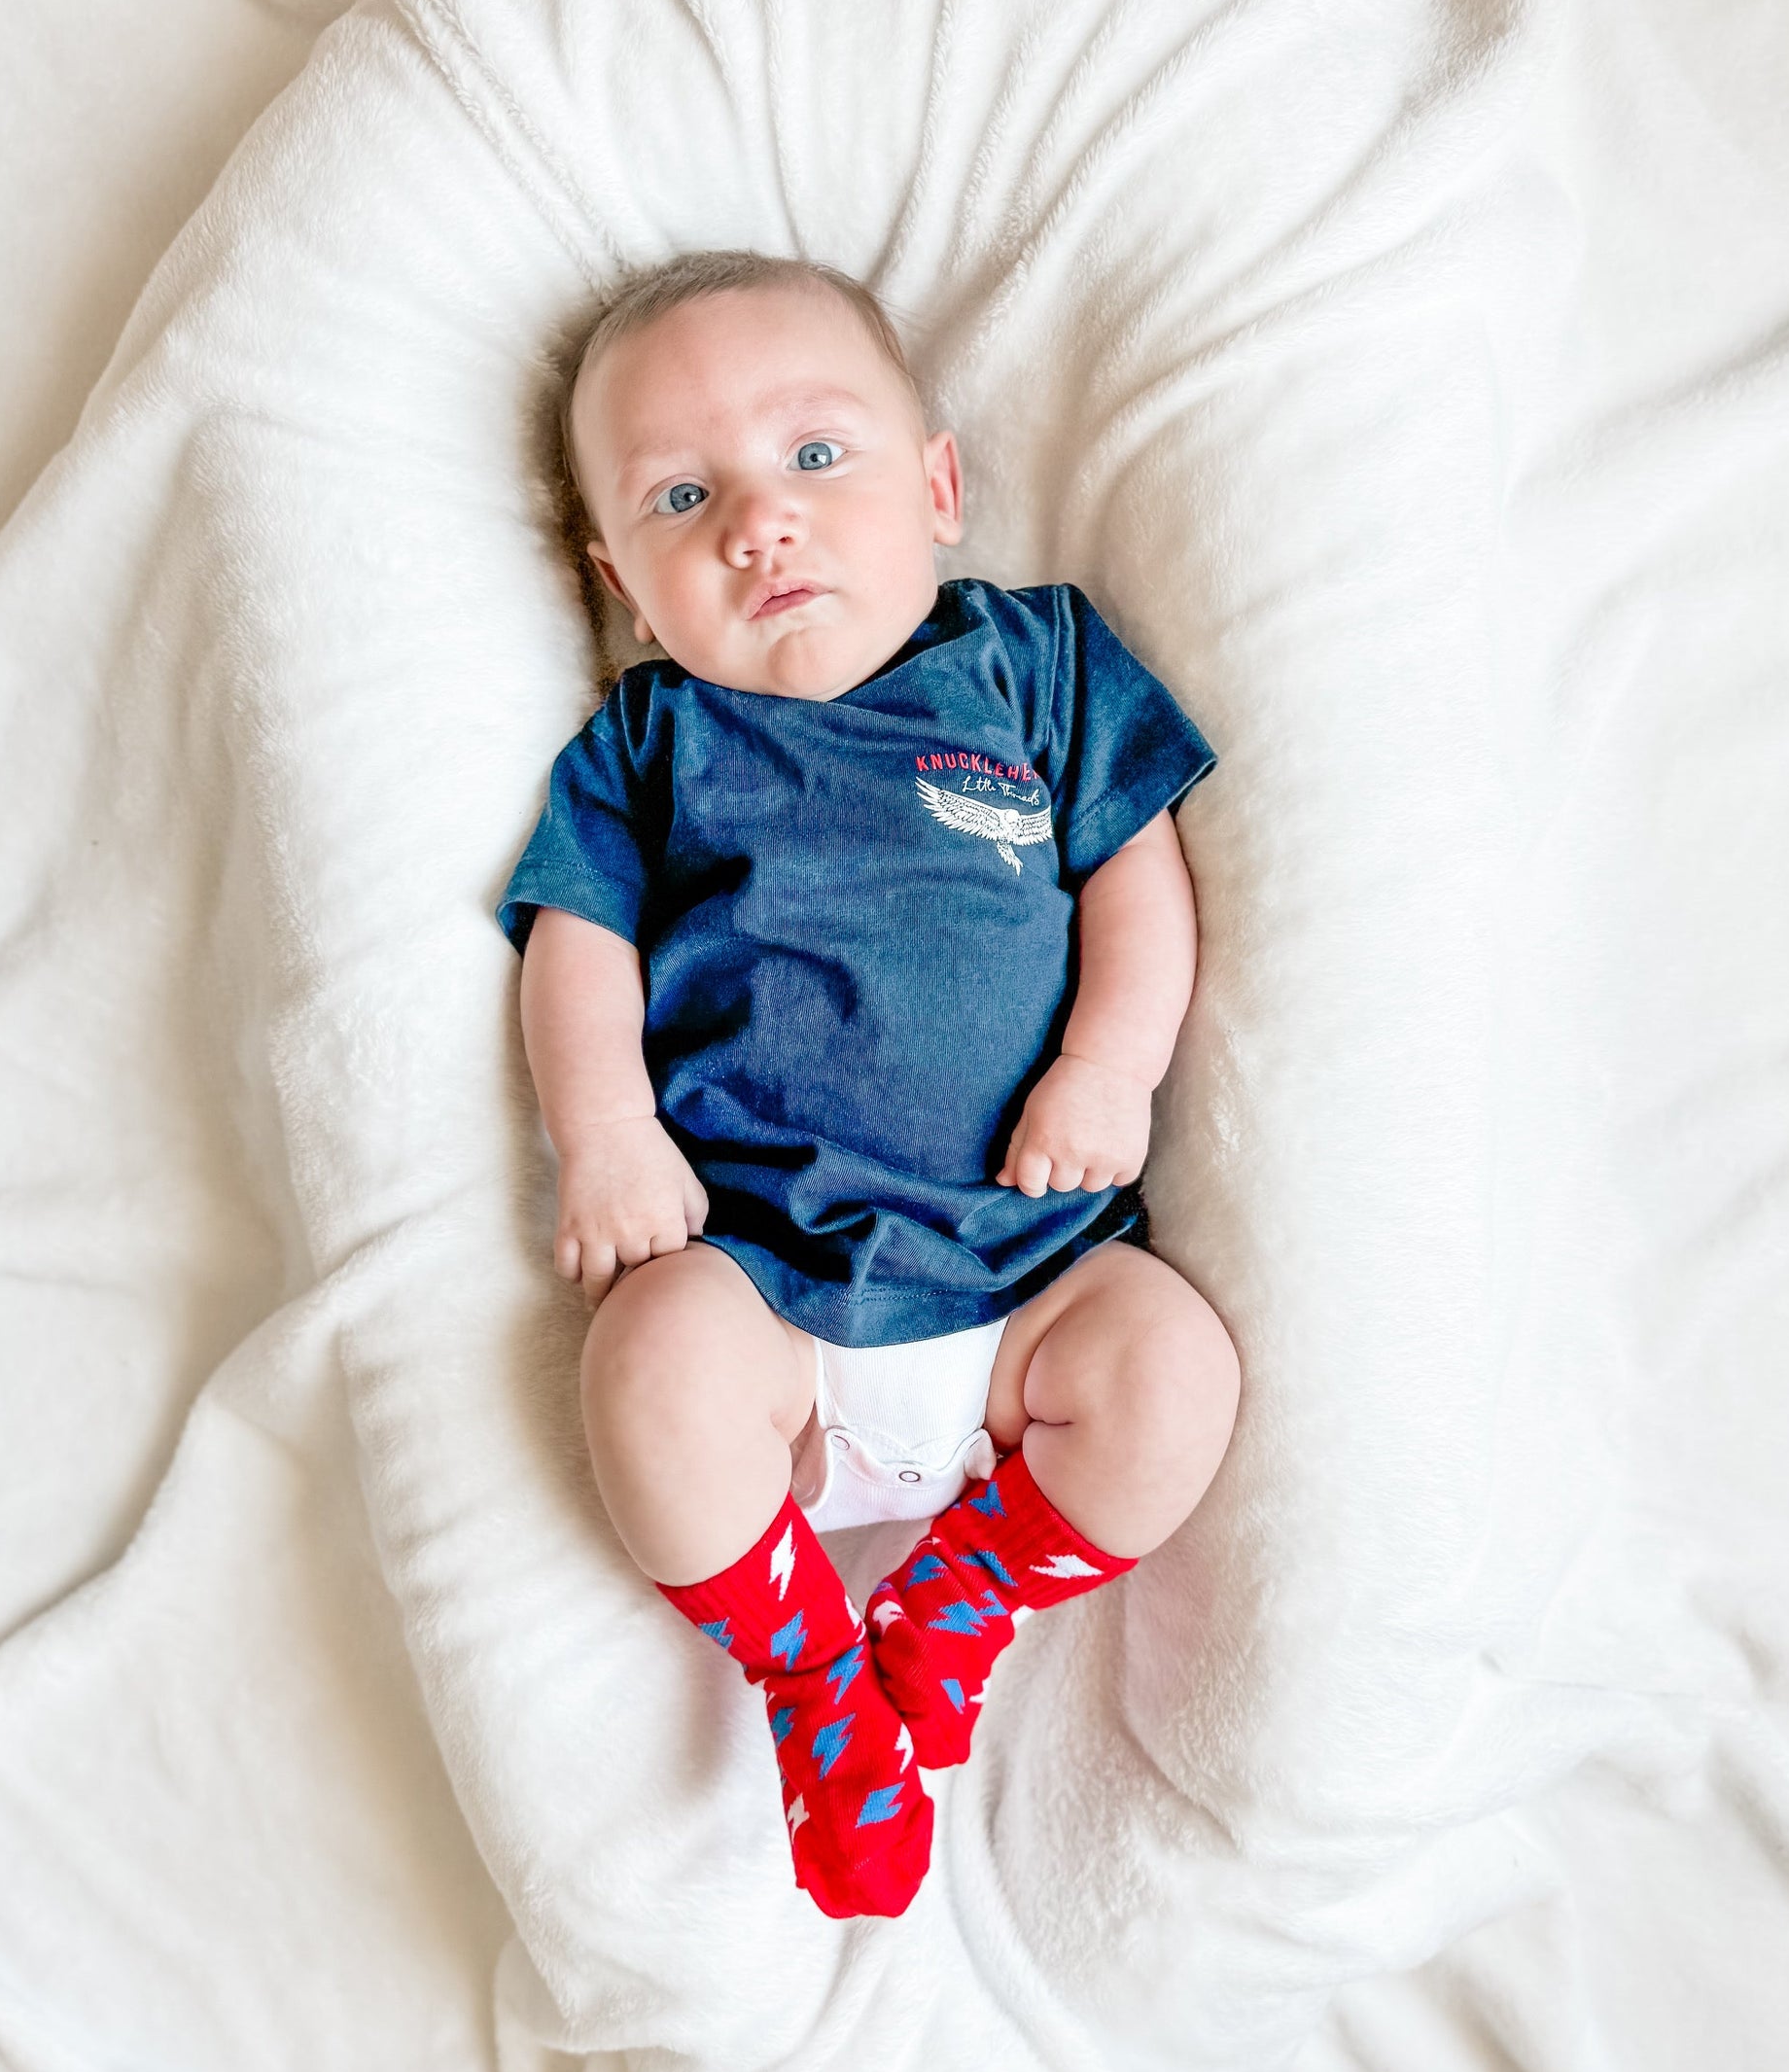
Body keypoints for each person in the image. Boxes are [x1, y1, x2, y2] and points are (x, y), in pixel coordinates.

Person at [501, 250, 1240, 1918]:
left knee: (1175, 1371)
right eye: (682, 497)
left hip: (1029, 1281)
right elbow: (575, 941)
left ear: (939, 489)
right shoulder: (649, 745)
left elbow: (1136, 869)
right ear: (624, 586)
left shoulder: (1032, 664)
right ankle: (811, 1680)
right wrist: (603, 1134)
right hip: (765, 1300)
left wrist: (1107, 1066)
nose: (758, 524)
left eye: (815, 455)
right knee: (646, 1366)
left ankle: (958, 1612)